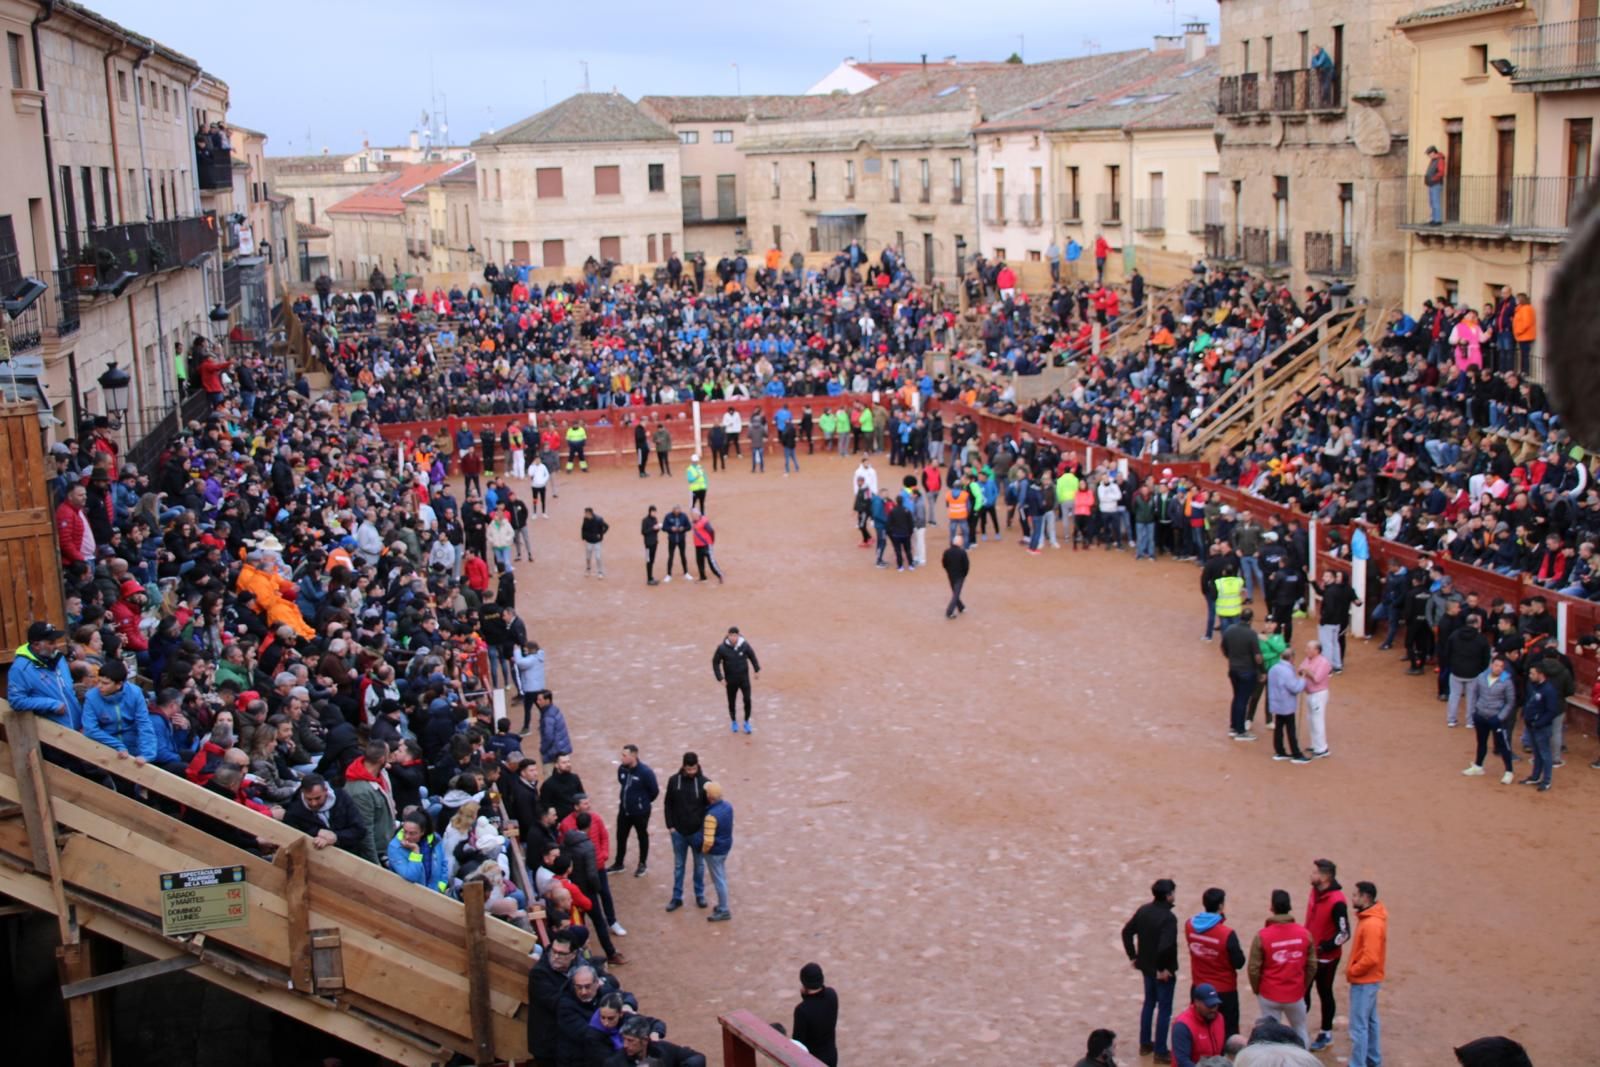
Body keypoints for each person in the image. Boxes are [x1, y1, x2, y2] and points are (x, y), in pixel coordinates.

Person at [1248, 889, 1316, 1049]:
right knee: (1300, 1030)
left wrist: (1258, 989)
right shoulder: (1305, 934)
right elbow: (1312, 965)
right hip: (1295, 994)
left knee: (1269, 1036)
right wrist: (1302, 986)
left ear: (1272, 907)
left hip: (1269, 994)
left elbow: (1253, 968)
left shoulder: (1262, 935)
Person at [1121, 877, 1179, 1063]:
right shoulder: (1169, 918)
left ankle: (1145, 1044)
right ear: (1168, 896)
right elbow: (1165, 946)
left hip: (1146, 968)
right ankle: (1161, 1052)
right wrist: (1161, 969)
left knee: (1149, 1004)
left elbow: (1126, 932)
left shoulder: (1144, 910)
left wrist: (1133, 957)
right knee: (1164, 1010)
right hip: (1163, 973)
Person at [1185, 887, 1246, 1038]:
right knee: (1229, 1033)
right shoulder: (1227, 934)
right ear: (1220, 906)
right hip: (1224, 992)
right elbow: (1239, 963)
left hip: (1198, 987)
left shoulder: (1189, 925)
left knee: (1200, 1029)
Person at [1305, 858, 1351, 1051]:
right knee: (1303, 991)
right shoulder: (1315, 892)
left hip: (1326, 958)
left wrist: (1325, 947)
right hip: (1309, 953)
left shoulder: (1337, 902)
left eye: (1315, 872)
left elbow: (1345, 933)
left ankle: (1326, 1033)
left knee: (1325, 993)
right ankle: (1299, 1030)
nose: (1311, 875)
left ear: (1324, 877)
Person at [80, 660, 157, 767]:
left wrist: (146, 755)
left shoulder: (135, 693)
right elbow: (90, 729)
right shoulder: (91, 697)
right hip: (106, 747)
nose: (99, 686)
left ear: (119, 684)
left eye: (105, 683)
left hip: (133, 745)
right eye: (99, 681)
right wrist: (118, 746)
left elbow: (144, 723)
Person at [8, 621, 82, 729]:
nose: (56, 646)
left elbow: (68, 689)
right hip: (54, 735)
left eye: (55, 641)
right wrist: (51, 704)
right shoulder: (20, 668)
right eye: (51, 643)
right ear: (36, 645)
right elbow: (17, 701)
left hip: (78, 729)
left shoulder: (59, 658)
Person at [283, 773, 374, 860]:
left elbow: (360, 830)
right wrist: (317, 832)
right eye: (309, 799)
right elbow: (290, 836)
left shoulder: (342, 798)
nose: (313, 803)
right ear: (303, 793)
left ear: (325, 791)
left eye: (318, 798)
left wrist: (336, 837)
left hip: (348, 854)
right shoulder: (295, 810)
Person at [1346, 881, 1386, 1067]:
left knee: (1359, 1027)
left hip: (1364, 982)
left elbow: (1370, 958)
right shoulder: (1372, 920)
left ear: (1365, 897)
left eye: (1356, 895)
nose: (1352, 898)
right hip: (1370, 981)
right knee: (1370, 1023)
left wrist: (1353, 971)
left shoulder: (1370, 924)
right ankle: (1372, 1061)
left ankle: (1358, 1064)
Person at [664, 752, 709, 912]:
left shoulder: (705, 783)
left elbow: (709, 809)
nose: (691, 772)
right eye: (689, 769)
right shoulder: (673, 781)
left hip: (697, 833)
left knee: (699, 865)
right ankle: (677, 898)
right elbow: (668, 803)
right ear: (683, 766)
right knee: (679, 866)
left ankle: (700, 894)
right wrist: (670, 826)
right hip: (679, 833)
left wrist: (704, 831)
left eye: (694, 768)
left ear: (698, 765)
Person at [1464, 655, 1516, 784]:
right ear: (1491, 665)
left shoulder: (1507, 681)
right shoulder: (1481, 677)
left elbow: (1510, 702)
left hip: (1496, 717)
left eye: (1501, 667)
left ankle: (1509, 771)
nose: (1498, 668)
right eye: (1496, 665)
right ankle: (1478, 766)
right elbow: (1474, 694)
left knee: (1503, 745)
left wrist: (1500, 717)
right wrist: (1474, 711)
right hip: (1481, 715)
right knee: (1481, 742)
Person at [610, 744, 658, 877]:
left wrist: (641, 803)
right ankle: (619, 863)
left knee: (642, 836)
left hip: (640, 813)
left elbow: (654, 791)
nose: (621, 758)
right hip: (624, 810)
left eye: (624, 755)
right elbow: (623, 783)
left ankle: (642, 864)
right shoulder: (622, 769)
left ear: (634, 756)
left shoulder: (646, 773)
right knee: (621, 836)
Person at [1221, 609, 1263, 740]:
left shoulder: (1230, 630)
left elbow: (1223, 647)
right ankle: (1240, 730)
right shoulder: (1251, 634)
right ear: (1251, 619)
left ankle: (1234, 727)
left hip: (1233, 669)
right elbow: (1257, 656)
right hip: (1247, 671)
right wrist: (1261, 670)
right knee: (1242, 700)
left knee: (1237, 697)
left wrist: (1230, 657)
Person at [696, 780, 733, 921]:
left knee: (719, 880)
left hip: (715, 852)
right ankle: (722, 906)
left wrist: (704, 851)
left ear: (710, 798)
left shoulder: (711, 816)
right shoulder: (728, 807)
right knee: (721, 876)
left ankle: (723, 909)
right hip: (725, 847)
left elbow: (708, 841)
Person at [712, 627, 761, 734]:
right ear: (728, 636)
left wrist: (756, 670)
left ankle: (746, 722)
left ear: (738, 636)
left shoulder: (744, 645)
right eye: (731, 635)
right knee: (731, 702)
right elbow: (715, 662)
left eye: (735, 635)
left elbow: (752, 656)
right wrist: (720, 678)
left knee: (747, 700)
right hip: (730, 681)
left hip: (744, 679)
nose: (733, 638)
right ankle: (734, 721)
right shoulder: (722, 648)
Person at [1266, 646, 1310, 763]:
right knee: (1291, 729)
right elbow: (1295, 688)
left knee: (1279, 728)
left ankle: (1280, 751)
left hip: (1276, 703)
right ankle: (1296, 753)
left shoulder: (1273, 668)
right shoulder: (1286, 671)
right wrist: (1302, 679)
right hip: (1286, 705)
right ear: (1291, 658)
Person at [1521, 662, 1560, 791]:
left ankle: (1546, 780)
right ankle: (1535, 776)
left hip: (1541, 727)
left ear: (1541, 674)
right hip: (1531, 725)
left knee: (1545, 754)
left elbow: (1552, 711)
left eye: (1533, 673)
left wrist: (1539, 723)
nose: (1530, 676)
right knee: (1537, 753)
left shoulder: (1549, 690)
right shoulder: (1534, 686)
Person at [792, 962, 839, 1066]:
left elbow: (798, 1044)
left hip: (813, 1061)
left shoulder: (802, 1010)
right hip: (831, 1056)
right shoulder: (832, 995)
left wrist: (805, 996)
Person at [1171, 983, 1226, 1067]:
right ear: (1197, 1002)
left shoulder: (1219, 1018)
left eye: (1215, 1005)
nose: (1213, 1009)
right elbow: (1182, 1062)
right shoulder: (1183, 1025)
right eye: (1209, 1006)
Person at [1300, 640, 1333, 759]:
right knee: (1311, 720)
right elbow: (1300, 669)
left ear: (1317, 650)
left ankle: (1322, 748)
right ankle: (1315, 745)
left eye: (1309, 648)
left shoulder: (1323, 662)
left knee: (1317, 720)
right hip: (1309, 693)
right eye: (1307, 648)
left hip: (1318, 694)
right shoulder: (1307, 659)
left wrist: (1307, 671)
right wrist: (1304, 671)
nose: (1306, 650)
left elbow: (1317, 678)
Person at [690, 507, 723, 584]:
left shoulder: (704, 521)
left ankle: (719, 575)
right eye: (692, 515)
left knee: (711, 562)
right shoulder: (694, 521)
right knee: (699, 562)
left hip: (706, 545)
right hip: (698, 545)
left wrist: (711, 541)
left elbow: (711, 531)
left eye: (693, 515)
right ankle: (702, 577)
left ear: (698, 514)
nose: (692, 517)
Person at [943, 532, 970, 619]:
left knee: (955, 592)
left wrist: (948, 571)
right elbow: (966, 566)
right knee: (956, 594)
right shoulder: (962, 552)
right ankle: (949, 612)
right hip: (959, 576)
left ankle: (961, 607)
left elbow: (944, 563)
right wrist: (964, 575)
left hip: (950, 575)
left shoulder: (947, 551)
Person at [661, 505, 691, 581]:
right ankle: (668, 574)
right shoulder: (668, 516)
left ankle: (686, 573)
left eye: (679, 511)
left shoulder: (684, 516)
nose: (678, 512)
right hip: (672, 540)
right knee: (671, 557)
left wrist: (683, 528)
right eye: (676, 511)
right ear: (673, 510)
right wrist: (671, 529)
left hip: (681, 540)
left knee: (683, 556)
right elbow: (664, 528)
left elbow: (689, 527)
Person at [580, 507, 609, 578]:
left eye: (586, 513)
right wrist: (584, 538)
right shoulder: (585, 519)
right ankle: (588, 568)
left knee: (598, 557)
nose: (585, 514)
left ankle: (600, 572)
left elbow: (606, 526)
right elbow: (583, 528)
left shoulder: (599, 519)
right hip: (588, 542)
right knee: (588, 557)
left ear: (590, 513)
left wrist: (601, 535)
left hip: (597, 542)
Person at [1424, 146, 1446, 225]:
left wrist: (1433, 179)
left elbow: (1441, 172)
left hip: (1436, 184)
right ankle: (1434, 219)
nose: (1429, 156)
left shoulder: (1440, 160)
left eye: (1429, 154)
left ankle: (1437, 220)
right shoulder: (1433, 160)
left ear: (1433, 152)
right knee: (1432, 202)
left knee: (1435, 202)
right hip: (1431, 184)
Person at [641, 506, 661, 587]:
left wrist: (658, 528)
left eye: (655, 512)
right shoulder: (645, 520)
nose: (654, 513)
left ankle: (651, 577)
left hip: (654, 543)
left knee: (652, 561)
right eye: (653, 512)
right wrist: (653, 528)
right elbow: (643, 532)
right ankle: (649, 579)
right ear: (650, 512)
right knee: (648, 561)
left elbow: (656, 531)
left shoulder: (655, 519)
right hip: (647, 545)